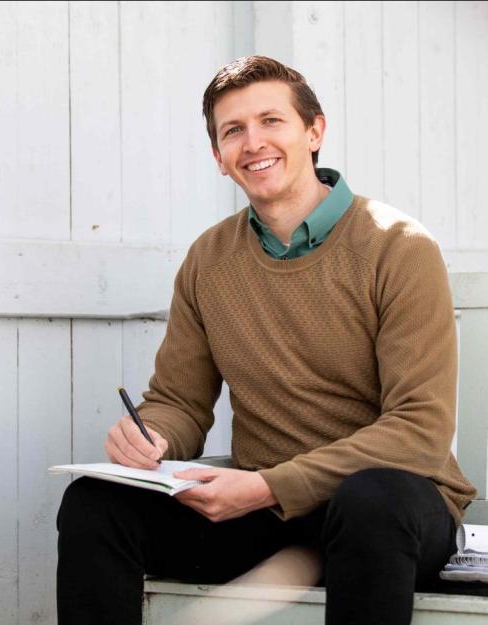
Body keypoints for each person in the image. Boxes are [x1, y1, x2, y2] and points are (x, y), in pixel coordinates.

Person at [56, 55, 476, 625]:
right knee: (95, 505)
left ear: (314, 131)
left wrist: (269, 486)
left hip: (392, 509)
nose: (253, 142)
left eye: (271, 121)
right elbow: (180, 401)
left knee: (370, 502)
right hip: (264, 506)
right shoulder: (209, 258)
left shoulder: (399, 247)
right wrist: (150, 436)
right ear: (219, 158)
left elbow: (419, 430)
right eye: (233, 130)